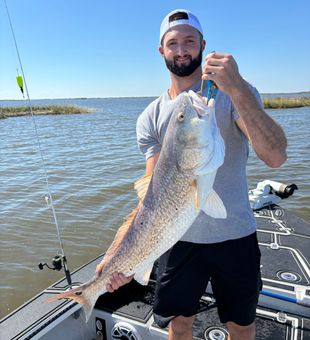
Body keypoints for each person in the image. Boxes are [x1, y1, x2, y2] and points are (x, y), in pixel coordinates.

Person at [96, 9, 287, 340]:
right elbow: (149, 198)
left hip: (235, 235)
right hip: (177, 240)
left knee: (242, 326)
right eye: (173, 43)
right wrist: (117, 257)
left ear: (203, 44)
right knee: (178, 325)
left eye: (189, 41)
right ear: (162, 50)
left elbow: (275, 157)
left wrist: (238, 87)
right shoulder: (150, 117)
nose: (181, 50)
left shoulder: (231, 94)